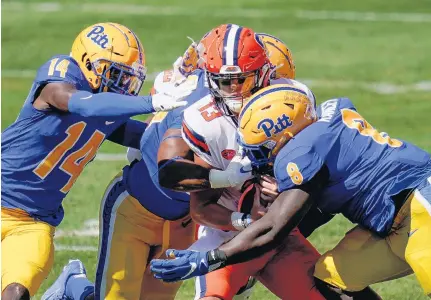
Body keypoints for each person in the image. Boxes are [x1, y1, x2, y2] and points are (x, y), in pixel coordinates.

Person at [151, 83, 431, 298]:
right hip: (392, 221)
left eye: (262, 149)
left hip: (419, 203)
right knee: (332, 277)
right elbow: (314, 211)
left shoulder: (301, 150)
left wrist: (210, 258)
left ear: (284, 135)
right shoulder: (321, 124)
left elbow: (275, 229)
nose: (259, 158)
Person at [1, 22, 190, 300]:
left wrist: (190, 137)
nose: (123, 86)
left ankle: (71, 290)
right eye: (116, 75)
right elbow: (84, 104)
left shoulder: (105, 110)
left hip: (32, 223)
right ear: (89, 63)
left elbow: (143, 136)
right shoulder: (63, 76)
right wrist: (154, 103)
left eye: (129, 79)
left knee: (15, 294)